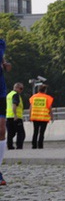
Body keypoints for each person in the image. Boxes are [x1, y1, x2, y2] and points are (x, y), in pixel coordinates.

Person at [29, 83, 54, 149]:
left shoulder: (33, 97)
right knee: (41, 132)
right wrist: (52, 116)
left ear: (38, 90)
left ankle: (34, 145)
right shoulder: (47, 98)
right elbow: (50, 108)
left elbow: (30, 107)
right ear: (45, 90)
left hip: (35, 117)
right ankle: (40, 145)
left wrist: (30, 116)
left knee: (35, 132)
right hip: (44, 118)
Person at [0, 39, 10, 185]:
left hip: (0, 92)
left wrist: (5, 64)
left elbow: (2, 60)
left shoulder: (1, 43)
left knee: (1, 130)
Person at [6, 82, 26, 150]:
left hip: (8, 116)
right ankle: (19, 146)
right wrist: (15, 115)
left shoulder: (9, 95)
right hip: (16, 117)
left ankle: (10, 146)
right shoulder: (15, 95)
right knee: (21, 133)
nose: (21, 90)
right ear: (16, 88)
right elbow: (14, 105)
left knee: (10, 133)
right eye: (21, 88)